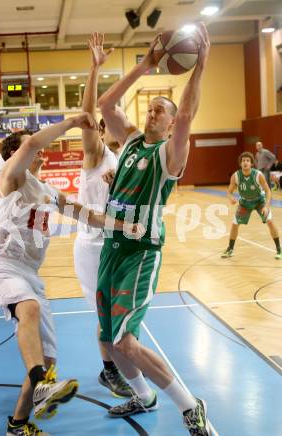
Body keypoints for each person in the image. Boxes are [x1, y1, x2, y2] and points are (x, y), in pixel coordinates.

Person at [0, 113, 142, 436]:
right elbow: (30, 142)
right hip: (3, 267)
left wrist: (125, 226)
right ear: (19, 154)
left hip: (30, 274)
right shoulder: (10, 178)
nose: (39, 150)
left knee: (49, 358)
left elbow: (87, 215)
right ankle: (41, 384)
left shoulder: (46, 190)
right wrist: (70, 122)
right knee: (29, 309)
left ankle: (18, 424)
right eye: (32, 148)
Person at [96, 24, 212, 435]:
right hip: (111, 246)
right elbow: (106, 103)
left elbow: (188, 114)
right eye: (150, 109)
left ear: (171, 122)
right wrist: (145, 64)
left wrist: (201, 65)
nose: (153, 113)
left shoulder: (169, 154)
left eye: (161, 110)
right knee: (109, 339)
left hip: (140, 251)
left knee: (127, 341)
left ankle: (189, 406)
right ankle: (142, 395)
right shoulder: (128, 142)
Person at [73, 32, 137, 398]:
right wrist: (94, 69)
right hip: (92, 246)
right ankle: (109, 371)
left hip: (116, 244)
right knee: (104, 315)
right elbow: (86, 116)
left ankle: (118, 364)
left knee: (117, 313)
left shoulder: (123, 159)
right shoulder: (95, 154)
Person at [222, 151, 281, 259]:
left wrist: (266, 207)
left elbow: (268, 191)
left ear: (251, 163)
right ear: (240, 163)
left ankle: (279, 250)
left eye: (248, 161)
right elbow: (229, 191)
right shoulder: (236, 176)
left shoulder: (258, 175)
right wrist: (231, 198)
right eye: (243, 161)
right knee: (235, 224)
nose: (245, 163)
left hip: (259, 201)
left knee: (270, 221)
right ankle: (230, 249)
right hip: (245, 202)